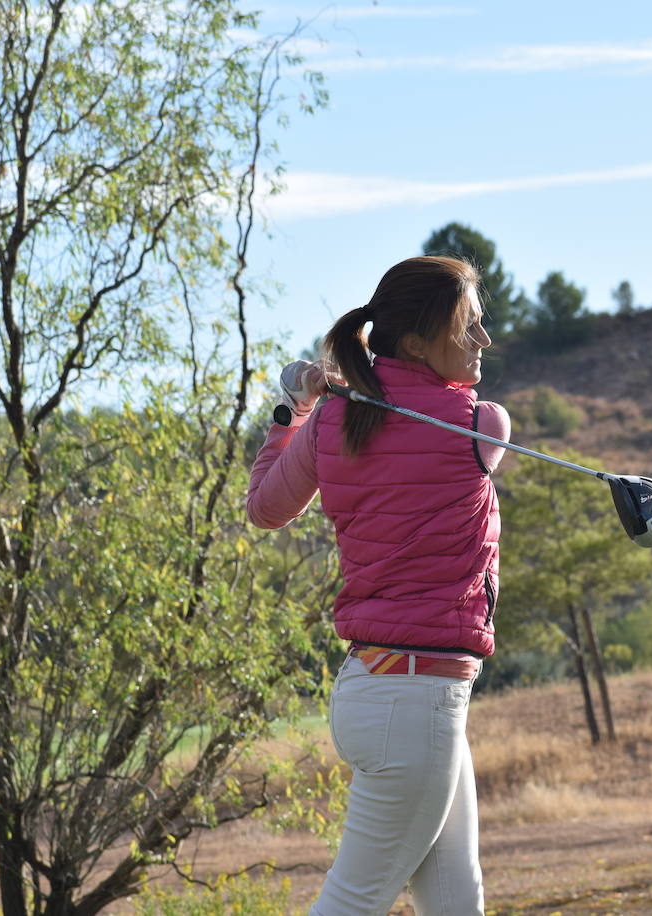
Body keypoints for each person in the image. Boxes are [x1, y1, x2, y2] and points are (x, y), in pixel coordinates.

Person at [246, 255, 509, 916]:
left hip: (383, 691)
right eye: (468, 328)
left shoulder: (333, 419)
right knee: (353, 902)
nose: (484, 342)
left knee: (456, 901)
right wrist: (332, 394)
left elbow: (265, 507)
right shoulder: (483, 425)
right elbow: (420, 421)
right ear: (418, 342)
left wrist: (296, 409)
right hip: (414, 701)